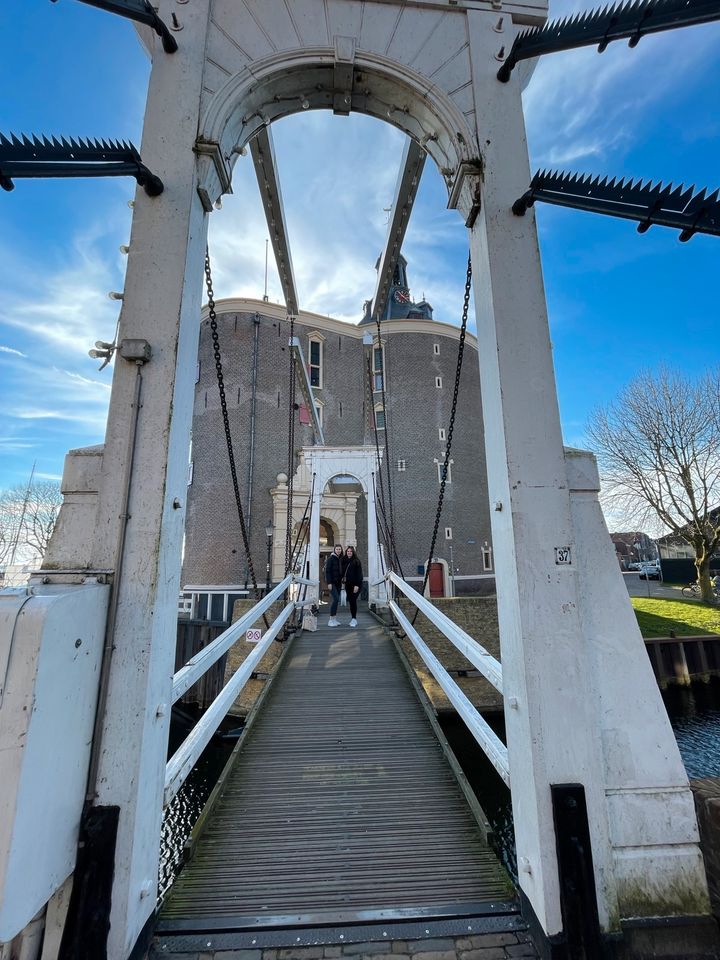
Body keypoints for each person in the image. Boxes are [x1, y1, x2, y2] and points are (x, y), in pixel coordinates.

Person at [341, 545, 363, 627]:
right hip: (348, 584)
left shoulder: (356, 561)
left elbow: (359, 574)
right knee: (351, 601)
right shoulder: (343, 560)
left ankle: (354, 619)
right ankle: (353, 618)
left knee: (353, 600)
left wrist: (357, 585)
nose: (349, 553)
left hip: (356, 584)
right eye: (348, 551)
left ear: (353, 552)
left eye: (350, 551)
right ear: (346, 552)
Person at [324, 544, 344, 627]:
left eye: (340, 549)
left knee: (336, 600)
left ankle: (334, 619)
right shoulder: (331, 559)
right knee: (335, 599)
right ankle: (330, 620)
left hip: (338, 583)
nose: (338, 550)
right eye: (337, 549)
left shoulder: (340, 559)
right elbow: (327, 571)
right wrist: (329, 583)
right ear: (334, 550)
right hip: (332, 583)